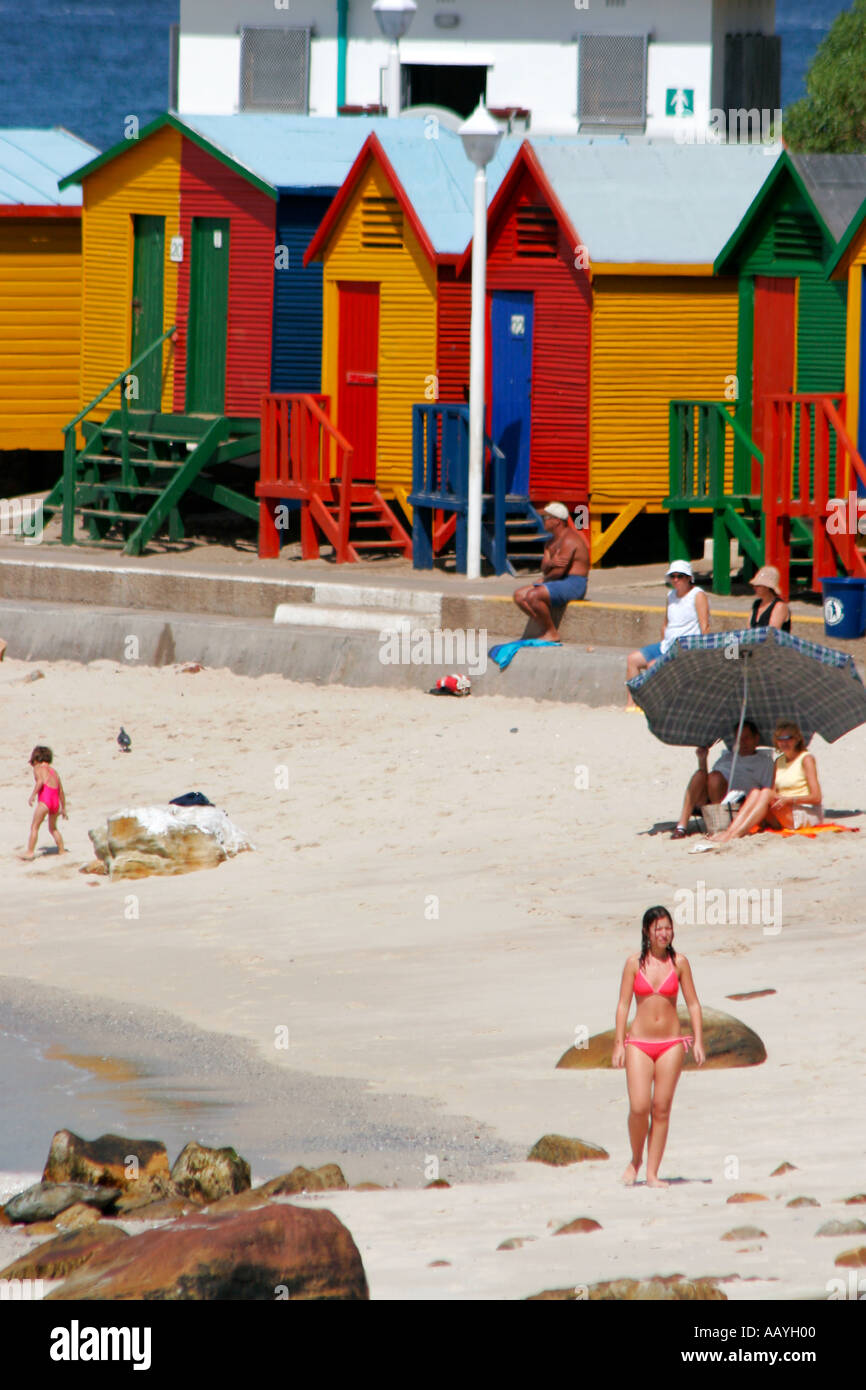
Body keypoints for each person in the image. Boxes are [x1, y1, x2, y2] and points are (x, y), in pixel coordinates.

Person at [612, 907, 705, 1187]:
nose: (664, 933)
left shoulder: (679, 963)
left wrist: (698, 1039)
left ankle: (652, 1173)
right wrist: (619, 1043)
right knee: (639, 1107)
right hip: (639, 1043)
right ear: (646, 932)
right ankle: (635, 1159)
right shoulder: (633, 964)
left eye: (668, 927)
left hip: (671, 1044)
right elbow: (623, 1005)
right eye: (658, 928)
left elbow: (693, 1003)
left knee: (661, 1108)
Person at [711, 719, 822, 843]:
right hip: (784, 810)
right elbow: (772, 792)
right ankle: (730, 832)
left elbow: (816, 797)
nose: (784, 742)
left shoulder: (806, 759)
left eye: (788, 738)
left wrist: (789, 799)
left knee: (765, 793)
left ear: (797, 739)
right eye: (780, 739)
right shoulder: (779, 762)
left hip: (804, 812)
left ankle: (736, 834)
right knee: (755, 792)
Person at [625, 560, 710, 708]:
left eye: (680, 576)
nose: (676, 580)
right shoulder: (670, 595)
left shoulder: (698, 595)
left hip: (684, 647)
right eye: (673, 576)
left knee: (653, 666)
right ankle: (631, 704)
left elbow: (705, 626)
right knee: (632, 660)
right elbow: (666, 624)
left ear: (689, 577)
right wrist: (663, 643)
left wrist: (700, 652)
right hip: (667, 644)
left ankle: (651, 705)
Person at [671, 720, 774, 839]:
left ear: (756, 738)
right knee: (700, 774)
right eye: (739, 739)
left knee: (715, 778)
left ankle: (718, 824)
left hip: (739, 803)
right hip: (712, 800)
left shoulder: (764, 762)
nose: (743, 742)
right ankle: (681, 826)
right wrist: (702, 759)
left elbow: (768, 790)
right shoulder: (727, 758)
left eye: (747, 738)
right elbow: (706, 780)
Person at [512, 502, 589, 641]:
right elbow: (544, 567)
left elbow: (559, 571)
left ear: (557, 521)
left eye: (546, 518)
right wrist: (550, 564)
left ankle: (551, 632)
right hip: (557, 581)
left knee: (533, 595)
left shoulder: (570, 540)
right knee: (519, 596)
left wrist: (547, 575)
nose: (543, 521)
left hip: (574, 583)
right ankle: (545, 626)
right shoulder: (550, 542)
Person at [22, 745, 66, 859]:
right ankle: (61, 850)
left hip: (45, 800)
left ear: (35, 759)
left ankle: (30, 852)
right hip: (55, 802)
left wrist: (33, 795)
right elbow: (61, 791)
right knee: (53, 828)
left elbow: (40, 781)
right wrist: (64, 808)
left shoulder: (38, 768)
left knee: (34, 827)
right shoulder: (54, 771)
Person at [749, 566, 791, 633]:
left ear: (767, 587)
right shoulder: (756, 604)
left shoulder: (779, 606)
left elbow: (772, 633)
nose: (754, 588)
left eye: (758, 585)